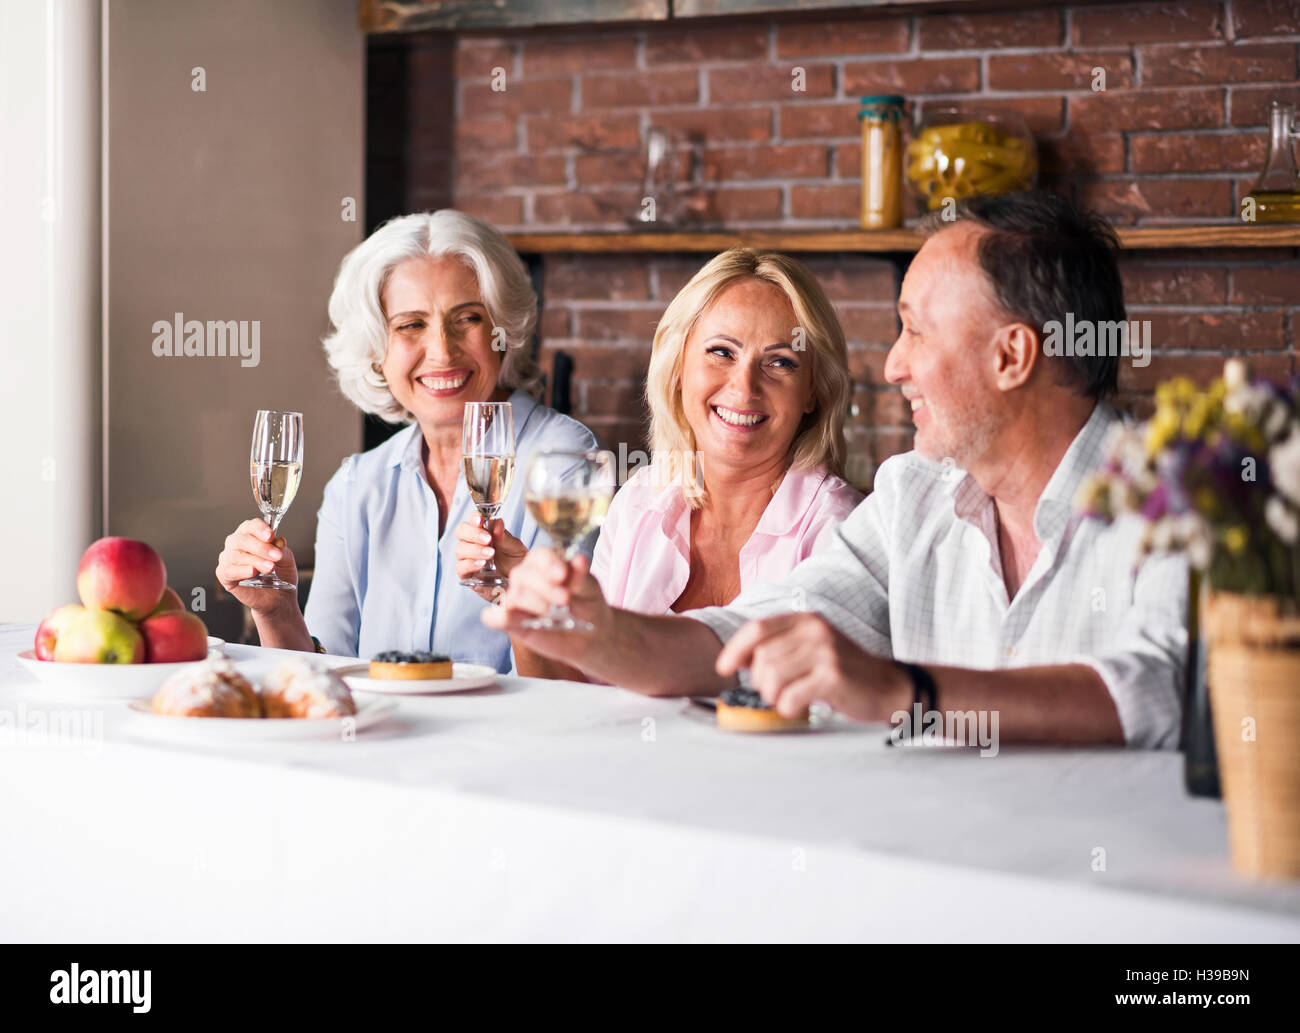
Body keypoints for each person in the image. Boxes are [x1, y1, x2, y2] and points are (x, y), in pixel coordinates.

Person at [484, 192, 1188, 748]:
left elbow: (1158, 687)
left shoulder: (1186, 498)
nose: (892, 365)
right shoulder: (915, 496)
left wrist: (902, 691)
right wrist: (593, 630)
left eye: (915, 329)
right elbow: (738, 634)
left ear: (1010, 357)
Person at [455, 248, 863, 680]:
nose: (744, 388)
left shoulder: (839, 531)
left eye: (780, 361)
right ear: (679, 367)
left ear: (814, 392)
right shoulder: (641, 499)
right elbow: (579, 692)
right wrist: (524, 603)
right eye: (722, 352)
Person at [216, 209, 596, 670]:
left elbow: (564, 687)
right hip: (378, 739)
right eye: (410, 325)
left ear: (502, 333)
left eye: (468, 318)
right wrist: (276, 611)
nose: (441, 350)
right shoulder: (358, 484)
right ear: (378, 351)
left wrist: (518, 605)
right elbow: (325, 677)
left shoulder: (564, 465)